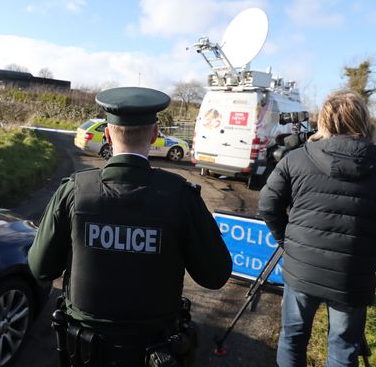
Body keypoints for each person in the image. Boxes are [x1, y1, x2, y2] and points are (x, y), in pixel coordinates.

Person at [28, 86, 232, 367]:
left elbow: (41, 268)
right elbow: (215, 275)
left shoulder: (74, 192)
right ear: (155, 134)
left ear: (108, 134)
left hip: (85, 353)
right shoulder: (182, 198)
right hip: (157, 353)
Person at [258, 92, 376, 367]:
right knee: (343, 348)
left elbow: (268, 206)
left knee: (293, 337)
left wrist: (288, 243)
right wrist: (374, 255)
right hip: (352, 274)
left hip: (302, 268)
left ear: (323, 121)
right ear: (364, 121)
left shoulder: (296, 158)